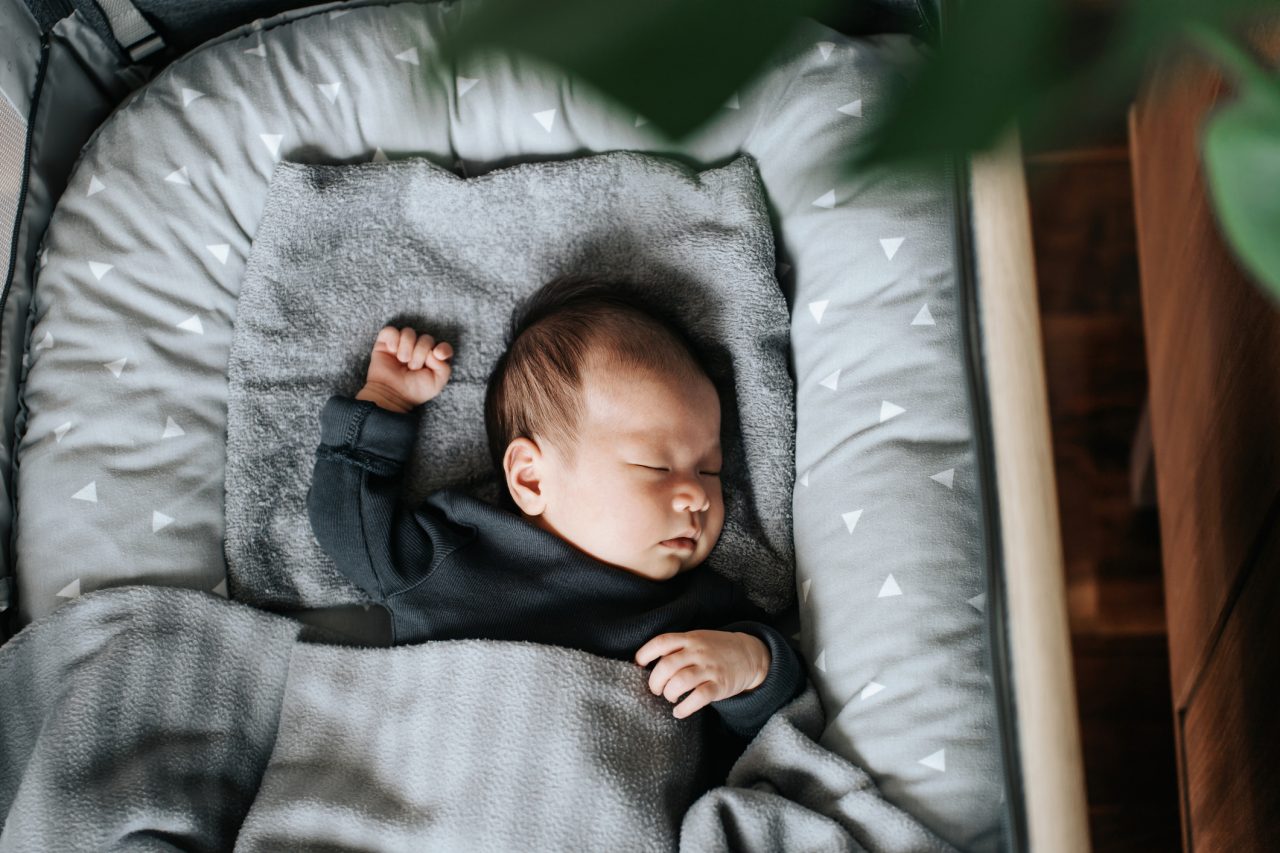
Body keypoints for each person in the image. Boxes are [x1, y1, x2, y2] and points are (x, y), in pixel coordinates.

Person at [306, 274, 805, 741]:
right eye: (656, 466)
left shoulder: (699, 616)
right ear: (530, 477)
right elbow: (347, 528)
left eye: (709, 470)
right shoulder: (455, 558)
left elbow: (773, 724)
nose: (697, 495)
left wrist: (752, 663)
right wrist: (385, 400)